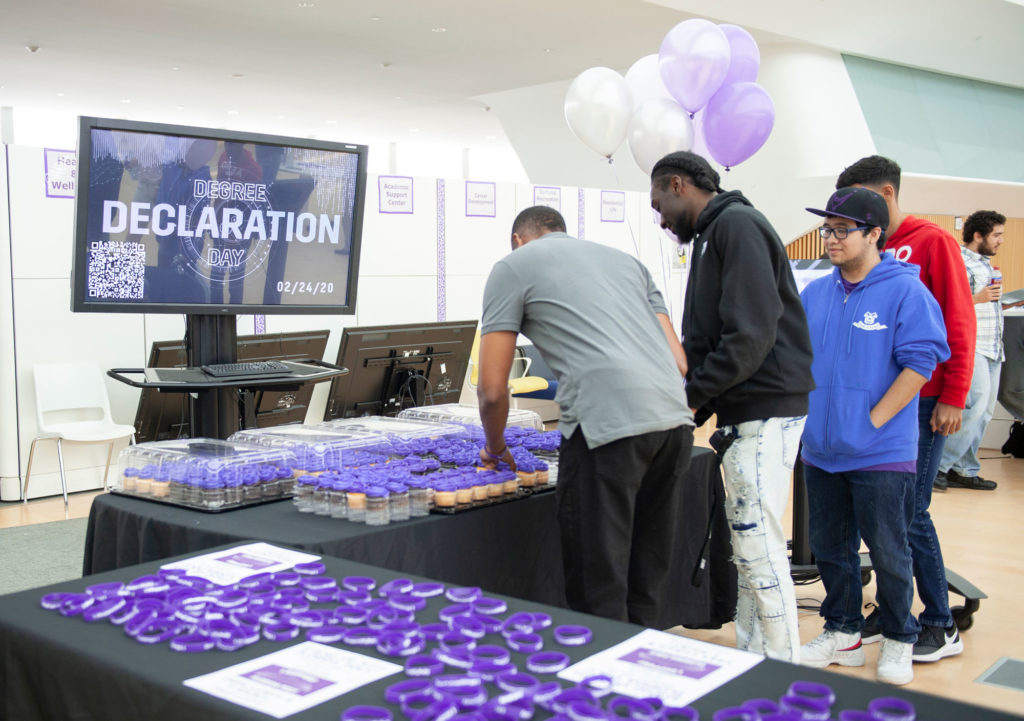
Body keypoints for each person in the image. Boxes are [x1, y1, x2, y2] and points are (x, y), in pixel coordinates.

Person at [476, 206, 695, 626]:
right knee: (646, 577)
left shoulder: (512, 266)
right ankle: (639, 681)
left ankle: (599, 686)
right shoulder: (628, 263)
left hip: (605, 429)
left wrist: (496, 447)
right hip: (672, 424)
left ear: (518, 240)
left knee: (599, 583)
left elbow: (490, 389)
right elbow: (679, 362)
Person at [649, 151, 814, 663]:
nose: (659, 217)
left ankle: (785, 676)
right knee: (746, 553)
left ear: (679, 184)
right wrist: (684, 409)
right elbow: (707, 339)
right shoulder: (709, 236)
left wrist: (690, 398)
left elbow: (747, 338)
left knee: (760, 550)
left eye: (660, 203)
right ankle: (751, 662)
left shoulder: (737, 226)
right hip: (747, 410)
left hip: (765, 408)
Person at [798, 187, 950, 686]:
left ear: (874, 234)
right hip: (821, 449)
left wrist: (873, 422)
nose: (831, 239)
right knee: (831, 549)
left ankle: (901, 637)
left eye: (843, 230)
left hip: (882, 452)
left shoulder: (905, 290)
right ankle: (843, 631)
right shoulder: (815, 292)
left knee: (889, 550)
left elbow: (920, 364)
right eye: (827, 229)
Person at [836, 156, 973, 663]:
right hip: (877, 405)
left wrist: (954, 394)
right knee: (878, 512)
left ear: (886, 194)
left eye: (856, 200)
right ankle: (894, 612)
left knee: (910, 512)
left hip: (926, 402)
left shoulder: (933, 242)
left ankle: (940, 622)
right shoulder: (870, 246)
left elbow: (957, 321)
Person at [937, 210, 1007, 491]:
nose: (1001, 240)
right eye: (997, 235)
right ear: (978, 235)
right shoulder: (958, 261)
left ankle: (963, 469)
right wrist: (977, 298)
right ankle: (938, 466)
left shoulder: (988, 265)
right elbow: (947, 302)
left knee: (985, 412)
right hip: (972, 344)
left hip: (993, 344)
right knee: (974, 407)